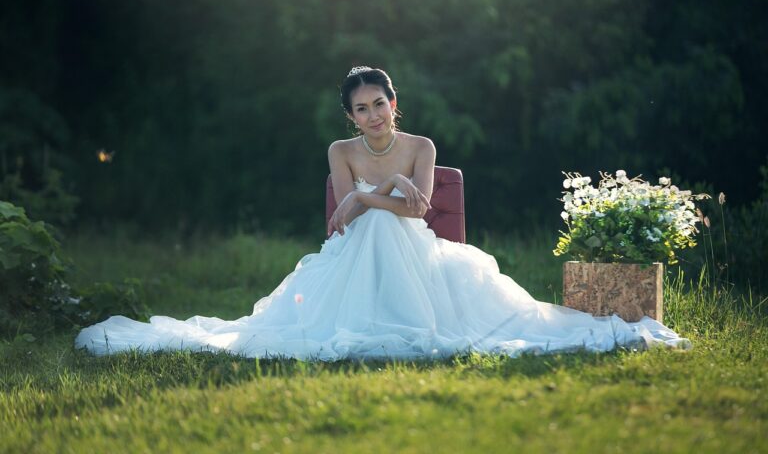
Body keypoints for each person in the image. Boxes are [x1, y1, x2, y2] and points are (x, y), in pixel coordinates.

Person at [75, 66, 690, 360]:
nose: (372, 116)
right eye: (361, 110)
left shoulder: (420, 148)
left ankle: (410, 321)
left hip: (419, 254)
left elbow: (416, 207)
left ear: (395, 103)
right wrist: (371, 200)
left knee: (382, 221)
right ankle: (372, 320)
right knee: (372, 227)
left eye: (379, 104)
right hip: (357, 254)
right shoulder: (340, 150)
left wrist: (376, 188)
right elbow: (346, 223)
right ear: (350, 118)